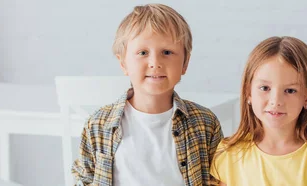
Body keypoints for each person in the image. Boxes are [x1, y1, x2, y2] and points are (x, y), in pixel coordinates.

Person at [72, 4, 224, 186]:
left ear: (185, 63)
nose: (155, 63)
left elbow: (218, 180)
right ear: (123, 63)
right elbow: (84, 179)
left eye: (167, 52)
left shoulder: (205, 123)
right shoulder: (98, 125)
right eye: (143, 53)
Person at [210, 36, 307, 186]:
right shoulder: (228, 154)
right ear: (248, 92)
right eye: (265, 88)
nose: (276, 101)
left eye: (290, 90)